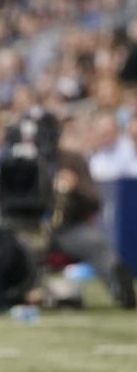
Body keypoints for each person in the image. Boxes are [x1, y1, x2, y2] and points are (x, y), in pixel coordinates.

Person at [50, 122, 136, 309]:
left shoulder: (74, 161)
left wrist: (75, 189)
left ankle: (120, 287)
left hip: (69, 228)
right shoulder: (25, 160)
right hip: (31, 227)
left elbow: (94, 201)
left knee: (96, 243)